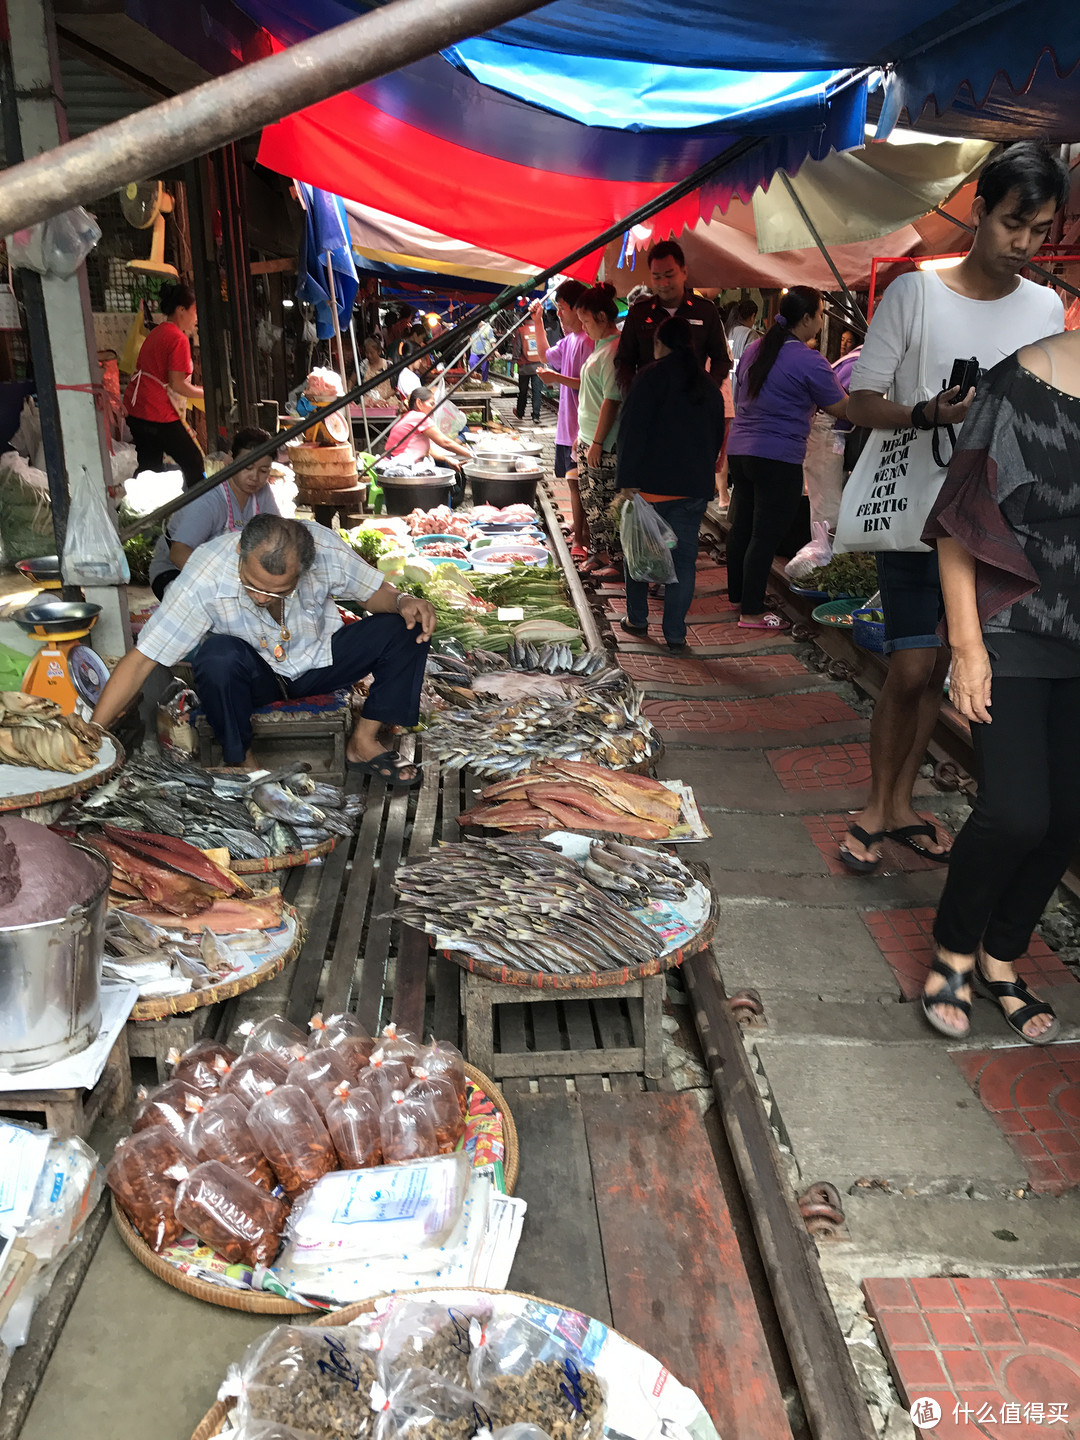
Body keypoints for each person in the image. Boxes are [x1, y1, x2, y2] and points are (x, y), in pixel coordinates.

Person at [839, 142, 1069, 875]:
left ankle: (904, 805)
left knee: (947, 673)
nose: (1026, 245)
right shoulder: (915, 294)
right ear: (979, 212)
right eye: (1013, 224)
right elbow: (859, 400)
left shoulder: (1044, 307)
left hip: (999, 534)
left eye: (1041, 230)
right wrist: (928, 413)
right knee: (912, 670)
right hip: (916, 516)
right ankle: (878, 806)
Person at [916, 329, 1080, 1044]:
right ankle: (953, 950)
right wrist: (966, 646)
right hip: (1012, 623)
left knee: (1068, 817)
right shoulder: (1025, 382)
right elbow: (959, 520)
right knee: (1016, 811)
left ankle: (1001, 954)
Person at [92, 515, 435, 789]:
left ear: (304, 568)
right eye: (252, 585)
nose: (261, 597)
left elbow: (373, 592)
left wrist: (404, 601)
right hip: (256, 677)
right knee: (216, 657)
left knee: (409, 626)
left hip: (320, 661)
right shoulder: (205, 574)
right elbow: (141, 661)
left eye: (278, 591)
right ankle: (242, 762)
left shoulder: (324, 550)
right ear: (241, 549)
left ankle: (363, 743)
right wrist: (94, 731)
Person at [726, 287, 848, 629]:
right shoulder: (809, 360)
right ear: (806, 318)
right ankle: (751, 612)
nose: (822, 322)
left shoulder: (756, 349)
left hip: (741, 450)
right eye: (821, 315)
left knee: (743, 528)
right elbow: (841, 407)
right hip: (777, 456)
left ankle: (739, 596)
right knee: (766, 534)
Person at [615, 316, 725, 654]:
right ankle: (675, 635)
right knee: (684, 561)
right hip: (692, 490)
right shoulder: (707, 385)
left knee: (639, 553)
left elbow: (630, 433)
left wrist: (626, 483)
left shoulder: (648, 378)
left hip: (650, 489)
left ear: (659, 344)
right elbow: (716, 435)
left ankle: (637, 619)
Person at [148, 427, 280, 601]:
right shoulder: (210, 498)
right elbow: (178, 553)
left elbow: (278, 536)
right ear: (230, 460)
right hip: (176, 572)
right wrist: (224, 581)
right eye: (247, 467)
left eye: (263, 471)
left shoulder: (262, 493)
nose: (254, 477)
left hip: (234, 574)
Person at [615, 239, 731, 394]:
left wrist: (707, 391)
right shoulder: (639, 313)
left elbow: (722, 359)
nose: (663, 283)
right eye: (657, 276)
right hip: (651, 406)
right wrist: (633, 395)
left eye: (669, 275)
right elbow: (623, 361)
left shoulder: (705, 311)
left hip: (692, 406)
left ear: (684, 272)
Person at [530, 281, 593, 557]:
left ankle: (581, 541)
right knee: (573, 484)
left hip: (582, 428)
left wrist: (556, 379)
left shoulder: (588, 341)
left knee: (577, 485)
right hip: (568, 426)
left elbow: (591, 384)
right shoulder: (570, 341)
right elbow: (544, 354)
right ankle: (580, 532)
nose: (559, 315)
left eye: (562, 308)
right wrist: (537, 322)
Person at [124, 281, 205, 491]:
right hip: (155, 411)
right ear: (181, 310)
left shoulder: (159, 331)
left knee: (149, 467)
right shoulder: (177, 338)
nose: (196, 317)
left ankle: (142, 513)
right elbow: (177, 384)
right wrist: (205, 395)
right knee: (193, 460)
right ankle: (202, 509)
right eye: (194, 311)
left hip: (137, 408)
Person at [575, 284, 624, 578]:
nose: (583, 327)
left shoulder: (614, 350)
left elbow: (611, 400)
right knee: (593, 501)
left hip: (606, 443)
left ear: (602, 317)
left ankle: (616, 560)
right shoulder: (600, 348)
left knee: (607, 502)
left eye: (586, 321)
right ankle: (601, 552)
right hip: (589, 439)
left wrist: (597, 442)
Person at [380, 388, 473, 472]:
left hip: (394, 466)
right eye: (431, 404)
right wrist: (474, 456)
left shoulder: (411, 416)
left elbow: (428, 451)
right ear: (419, 403)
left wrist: (447, 459)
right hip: (399, 469)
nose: (433, 408)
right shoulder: (419, 417)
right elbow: (445, 442)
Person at [511, 319, 544, 425]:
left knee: (523, 391)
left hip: (524, 367)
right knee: (537, 391)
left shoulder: (521, 330)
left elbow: (517, 349)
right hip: (538, 366)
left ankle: (520, 412)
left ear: (525, 319)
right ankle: (536, 415)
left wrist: (513, 364)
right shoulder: (541, 330)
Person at [359, 336, 395, 404]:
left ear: (379, 351)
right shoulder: (363, 365)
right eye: (367, 352)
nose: (369, 355)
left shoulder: (388, 366)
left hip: (387, 402)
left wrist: (380, 399)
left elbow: (395, 388)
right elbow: (352, 380)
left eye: (372, 353)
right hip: (368, 404)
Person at [726, 300, 760, 366]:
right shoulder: (750, 334)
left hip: (725, 375)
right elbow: (753, 363)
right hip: (740, 376)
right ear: (753, 316)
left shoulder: (727, 330)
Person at [468, 319, 496, 383]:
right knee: (471, 362)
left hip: (485, 352)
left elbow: (492, 340)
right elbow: (469, 339)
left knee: (484, 368)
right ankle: (475, 380)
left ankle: (484, 382)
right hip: (474, 351)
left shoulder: (488, 328)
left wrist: (495, 351)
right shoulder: (473, 329)